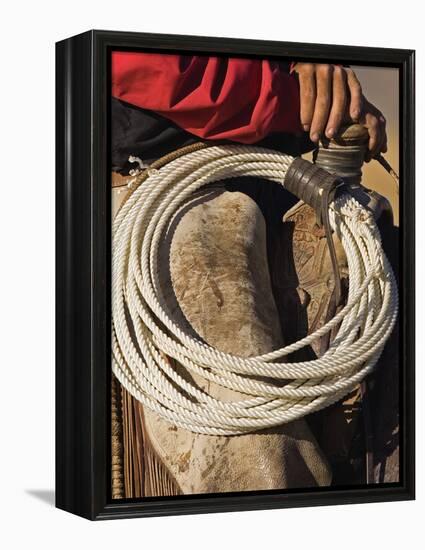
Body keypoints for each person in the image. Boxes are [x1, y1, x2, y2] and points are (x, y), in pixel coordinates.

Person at [110, 52, 392, 498]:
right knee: (258, 453)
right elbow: (152, 68)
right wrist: (293, 96)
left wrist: (315, 70)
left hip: (272, 163)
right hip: (164, 175)